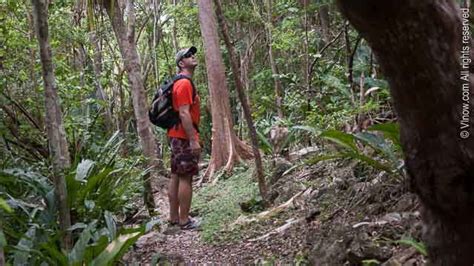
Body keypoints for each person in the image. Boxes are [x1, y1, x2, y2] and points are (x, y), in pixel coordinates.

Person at [167, 46, 201, 230]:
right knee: (185, 177)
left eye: (193, 54)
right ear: (181, 63)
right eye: (188, 55)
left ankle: (174, 218)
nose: (193, 56)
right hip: (182, 137)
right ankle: (184, 220)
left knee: (176, 176)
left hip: (175, 135)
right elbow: (184, 114)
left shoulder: (179, 82)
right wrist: (193, 139)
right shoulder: (185, 83)